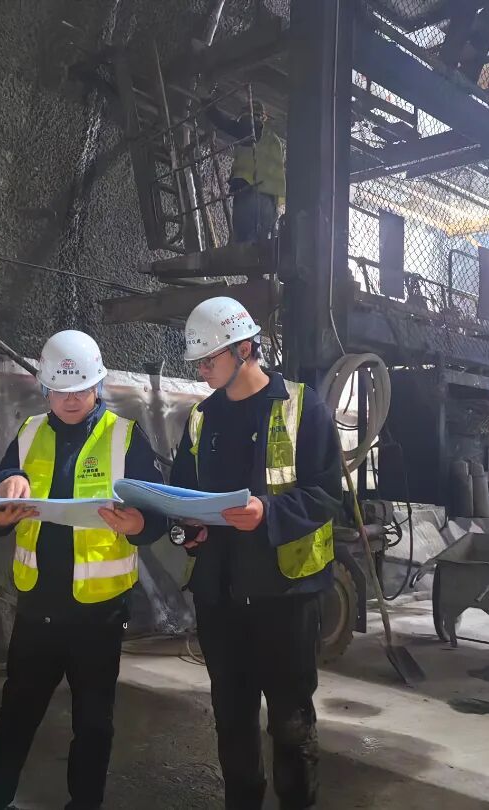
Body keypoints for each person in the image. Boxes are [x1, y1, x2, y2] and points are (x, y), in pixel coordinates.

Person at [0, 329, 167, 810]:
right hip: (38, 607)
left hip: (99, 613)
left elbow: (158, 512)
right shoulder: (30, 432)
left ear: (98, 385)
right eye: (60, 390)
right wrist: (7, 481)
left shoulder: (125, 436)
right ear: (45, 388)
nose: (71, 399)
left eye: (81, 389)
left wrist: (140, 524)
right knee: (16, 710)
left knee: (93, 722)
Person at [169, 297, 341, 810]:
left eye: (209, 359)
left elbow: (326, 494)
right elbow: (182, 495)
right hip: (220, 595)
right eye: (198, 362)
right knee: (232, 719)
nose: (202, 371)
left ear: (244, 349)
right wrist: (187, 529)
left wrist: (268, 512)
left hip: (285, 594)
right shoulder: (201, 418)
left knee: (290, 720)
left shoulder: (302, 408)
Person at [206, 98, 284, 243]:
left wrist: (209, 108)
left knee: (241, 245)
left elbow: (228, 124)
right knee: (259, 246)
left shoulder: (252, 129)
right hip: (270, 203)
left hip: (251, 194)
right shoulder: (272, 139)